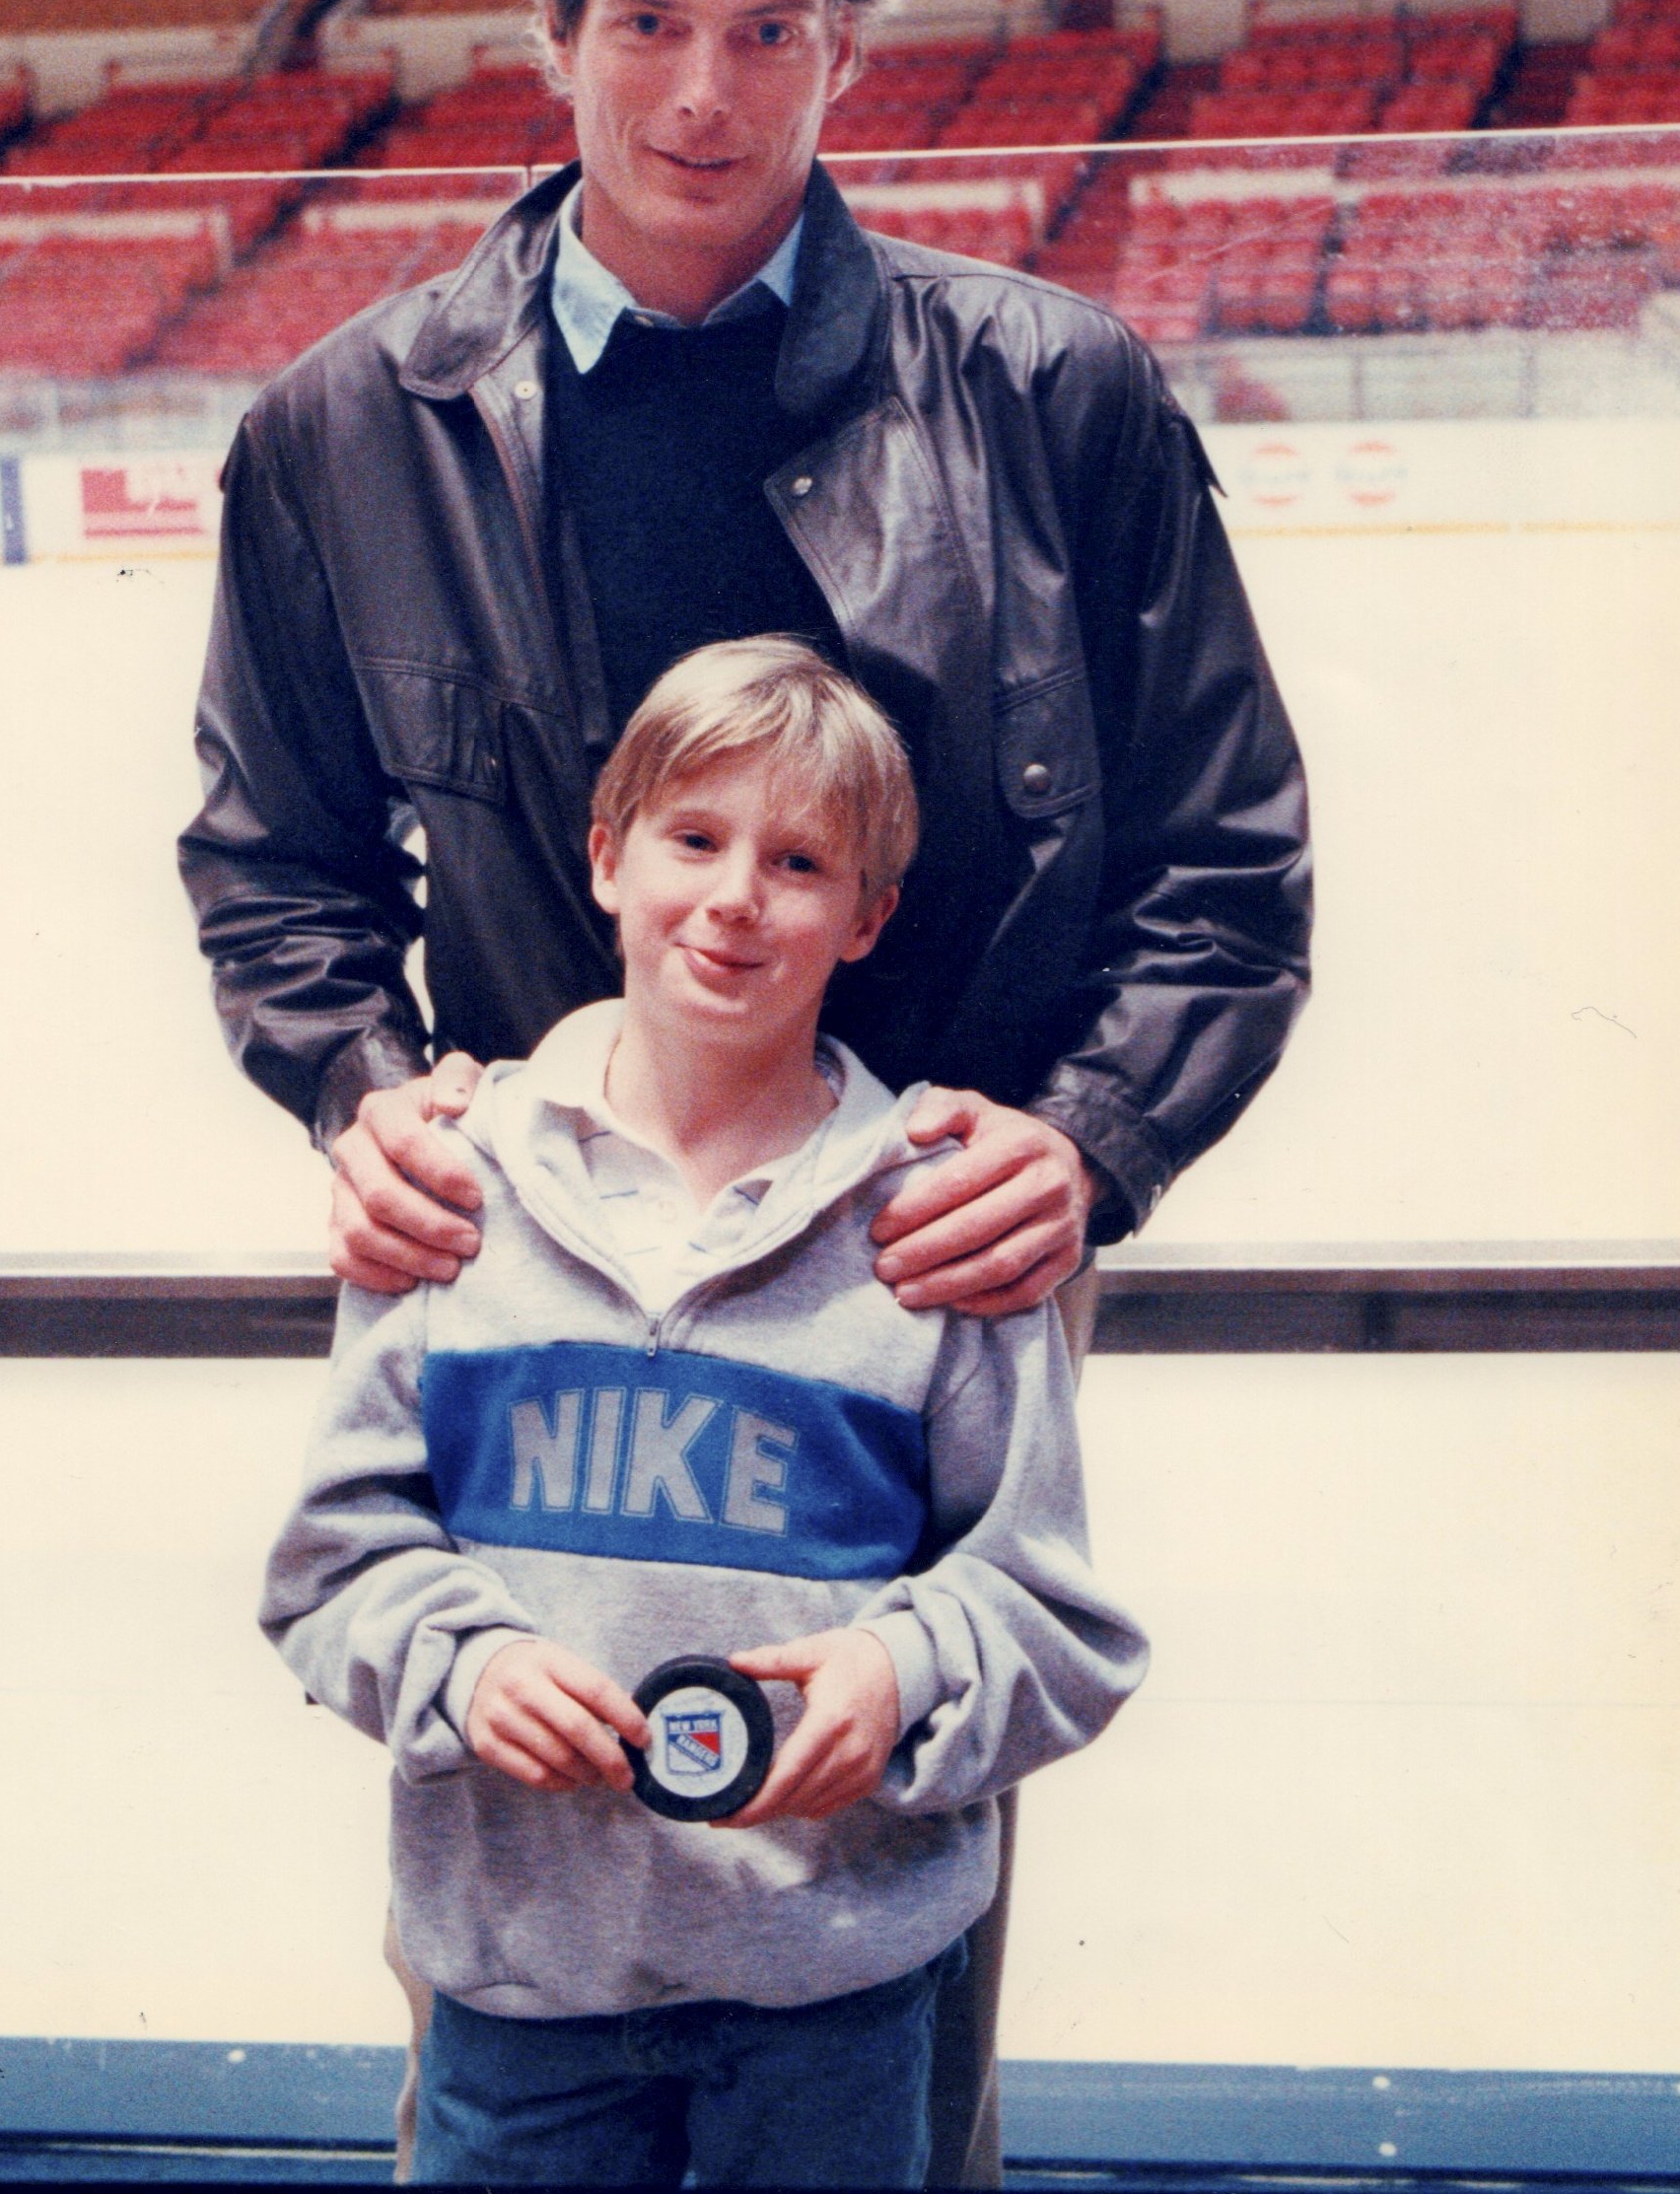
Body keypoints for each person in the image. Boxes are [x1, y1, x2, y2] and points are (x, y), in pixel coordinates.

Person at [180, 0, 1311, 2182]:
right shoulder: (345, 428)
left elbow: (1226, 863)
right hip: (550, 1243)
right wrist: (360, 1089)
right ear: (554, 36)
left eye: (766, 33)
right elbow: (271, 860)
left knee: (894, 1899)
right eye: (653, 24)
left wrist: (1089, 1145)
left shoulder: (1054, 393)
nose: (704, 94)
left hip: (932, 1250)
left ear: (842, 48)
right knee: (515, 1871)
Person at [261, 637, 1149, 2188]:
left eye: (798, 860)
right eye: (694, 837)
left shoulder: (939, 1227)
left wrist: (902, 1663)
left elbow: (1053, 1616)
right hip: (518, 1989)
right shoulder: (452, 1187)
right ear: (606, 856)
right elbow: (332, 1565)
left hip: (833, 1998)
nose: (737, 895)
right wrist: (461, 1666)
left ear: (866, 916)